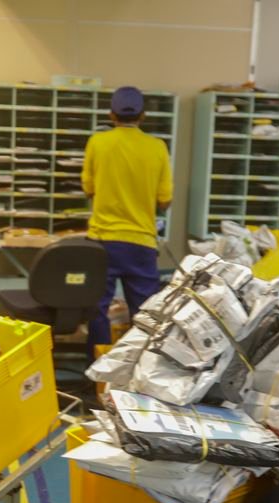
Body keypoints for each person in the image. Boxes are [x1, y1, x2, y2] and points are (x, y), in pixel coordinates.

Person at [82, 85, 172, 353]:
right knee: (146, 314)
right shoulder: (157, 147)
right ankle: (142, 369)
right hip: (141, 243)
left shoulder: (97, 142)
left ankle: (97, 367)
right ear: (143, 115)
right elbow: (165, 200)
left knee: (97, 309)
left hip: (103, 240)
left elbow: (88, 189)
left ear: (112, 115)